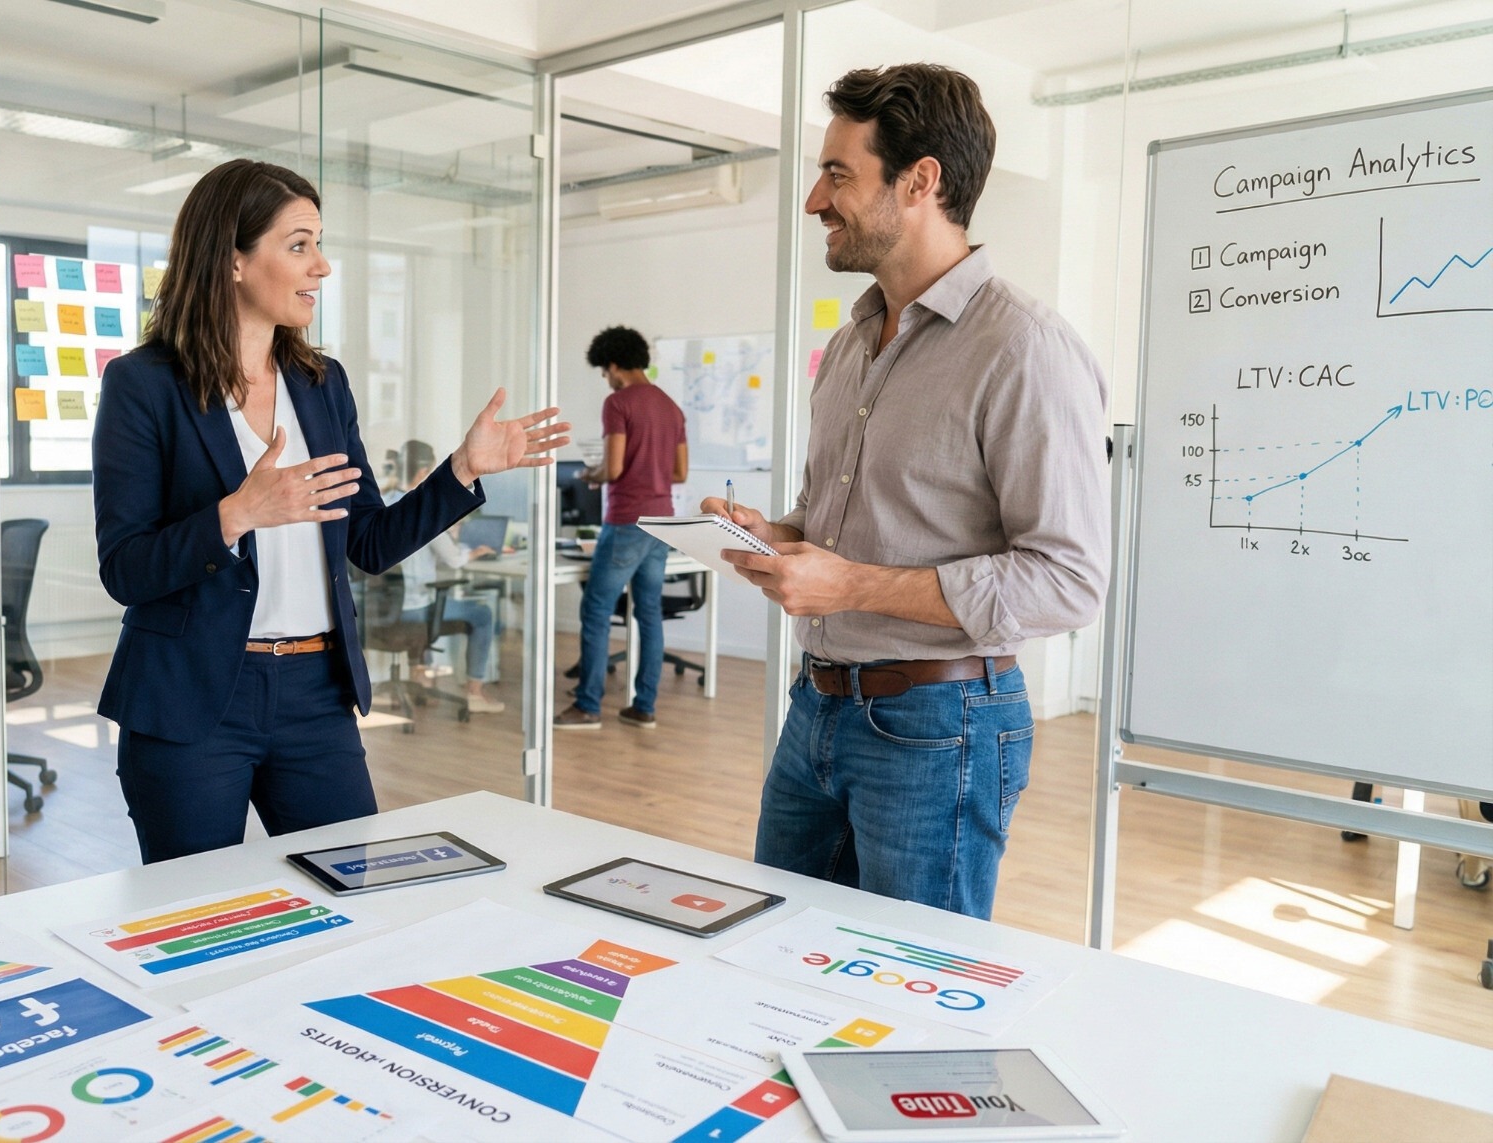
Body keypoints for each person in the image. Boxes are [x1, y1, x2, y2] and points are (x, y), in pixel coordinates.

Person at [704, 64, 1108, 920]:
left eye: (838, 174)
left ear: (920, 181)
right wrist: (773, 537)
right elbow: (842, 523)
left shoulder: (1025, 348)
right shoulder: (852, 343)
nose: (815, 200)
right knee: (772, 953)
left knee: (908, 982)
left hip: (941, 726)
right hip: (815, 708)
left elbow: (1069, 580)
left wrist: (849, 584)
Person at [93, 158, 567, 864]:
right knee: (199, 910)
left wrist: (461, 470)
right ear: (232, 260)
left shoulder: (321, 383)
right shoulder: (143, 384)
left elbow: (367, 541)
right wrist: (236, 514)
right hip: (191, 698)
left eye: (319, 243)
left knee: (352, 886)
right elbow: (125, 568)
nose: (322, 266)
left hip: (315, 693)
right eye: (299, 245)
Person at [554, 325, 687, 731]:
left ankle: (588, 705)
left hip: (628, 520)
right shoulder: (672, 407)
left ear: (613, 365)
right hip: (663, 521)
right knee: (649, 613)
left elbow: (612, 469)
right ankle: (643, 706)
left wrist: (590, 474)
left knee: (595, 609)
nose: (605, 378)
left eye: (603, 371)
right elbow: (679, 473)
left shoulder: (618, 403)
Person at [393, 440, 504, 714]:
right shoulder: (422, 507)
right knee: (482, 614)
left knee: (428, 602)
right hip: (416, 610)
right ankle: (474, 692)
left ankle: (420, 677)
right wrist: (475, 552)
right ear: (423, 473)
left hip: (380, 611)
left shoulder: (382, 502)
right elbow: (454, 559)